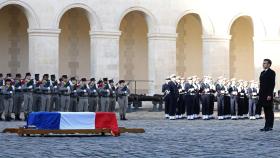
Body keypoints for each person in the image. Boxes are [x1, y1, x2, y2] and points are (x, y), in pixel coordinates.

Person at [259, 59, 276, 131]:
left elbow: (272, 84)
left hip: (268, 94)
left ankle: (270, 126)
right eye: (263, 63)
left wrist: (269, 94)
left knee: (269, 110)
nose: (263, 64)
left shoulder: (271, 72)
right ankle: (266, 125)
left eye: (265, 63)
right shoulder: (262, 72)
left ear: (269, 64)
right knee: (265, 110)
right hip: (262, 94)